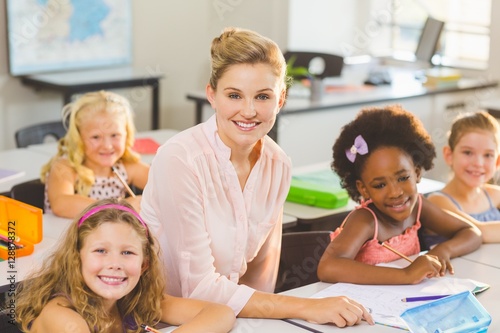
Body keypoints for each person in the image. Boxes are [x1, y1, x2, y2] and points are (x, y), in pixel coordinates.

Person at [141, 27, 373, 327]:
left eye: (262, 96)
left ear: (281, 99)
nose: (248, 111)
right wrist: (306, 307)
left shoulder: (278, 164)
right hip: (168, 323)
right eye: (234, 95)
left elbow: (261, 274)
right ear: (211, 95)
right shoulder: (180, 160)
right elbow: (198, 289)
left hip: (237, 321)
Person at [317, 105, 482, 285]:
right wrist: (406, 275)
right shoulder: (365, 221)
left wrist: (442, 252)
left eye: (403, 178)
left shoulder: (417, 207)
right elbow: (328, 268)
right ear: (363, 188)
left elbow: (471, 232)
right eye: (380, 185)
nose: (396, 192)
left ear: (417, 173)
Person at [16, 198, 236, 333]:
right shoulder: (64, 319)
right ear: (76, 257)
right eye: (101, 251)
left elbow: (221, 314)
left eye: (127, 253)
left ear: (144, 265)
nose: (115, 264)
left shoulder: (135, 300)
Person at [41, 90, 150, 218]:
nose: (107, 146)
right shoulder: (65, 167)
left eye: (115, 135)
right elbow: (61, 204)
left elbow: (164, 183)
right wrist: (118, 206)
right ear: (78, 138)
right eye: (96, 137)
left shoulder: (126, 167)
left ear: (127, 135)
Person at [427, 111, 500, 244]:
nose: (478, 163)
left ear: (497, 162)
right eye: (468, 152)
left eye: (488, 155)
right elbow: (478, 233)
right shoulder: (437, 202)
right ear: (449, 155)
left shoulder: (494, 195)